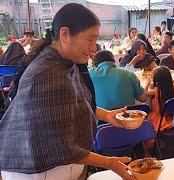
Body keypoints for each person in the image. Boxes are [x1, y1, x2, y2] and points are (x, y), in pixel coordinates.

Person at [0, 3, 134, 180]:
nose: (94, 47)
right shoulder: (48, 73)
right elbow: (60, 146)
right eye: (90, 39)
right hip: (38, 169)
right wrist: (109, 163)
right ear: (65, 34)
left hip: (53, 164)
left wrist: (107, 115)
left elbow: (71, 106)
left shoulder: (64, 62)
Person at [147, 66, 174, 131]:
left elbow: (144, 93)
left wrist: (148, 82)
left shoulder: (156, 91)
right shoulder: (172, 88)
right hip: (170, 117)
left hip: (157, 117)